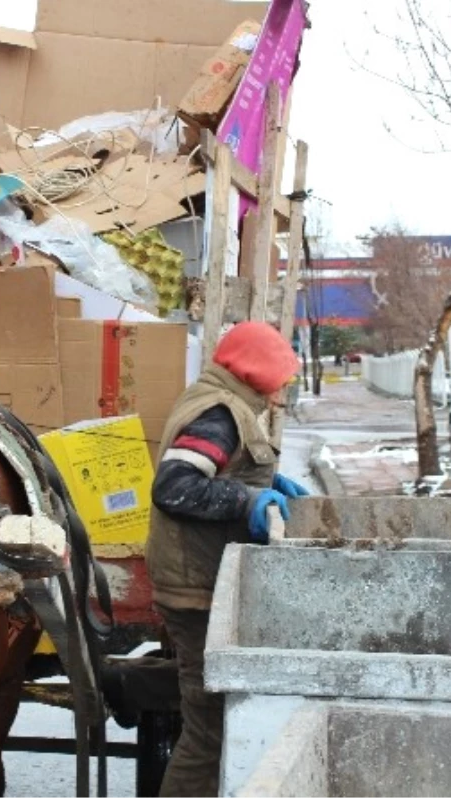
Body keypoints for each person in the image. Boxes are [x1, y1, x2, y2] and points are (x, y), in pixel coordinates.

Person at [145, 321, 308, 797]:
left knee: (213, 729)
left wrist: (263, 486)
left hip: (202, 584)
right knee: (210, 735)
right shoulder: (219, 413)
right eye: (282, 377)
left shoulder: (223, 402)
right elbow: (174, 486)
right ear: (259, 372)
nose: (283, 389)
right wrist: (246, 502)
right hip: (195, 593)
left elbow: (215, 469)